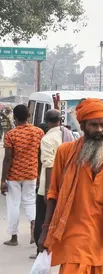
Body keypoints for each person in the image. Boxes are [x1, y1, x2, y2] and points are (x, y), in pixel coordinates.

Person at [38, 98, 103, 274]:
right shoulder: (65, 151)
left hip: (100, 228)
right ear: (82, 126)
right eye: (93, 125)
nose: (99, 130)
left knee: (95, 272)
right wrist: (45, 229)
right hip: (71, 227)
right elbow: (53, 192)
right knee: (72, 272)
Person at [1, 104, 44, 246]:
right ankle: (33, 224)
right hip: (31, 173)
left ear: (14, 117)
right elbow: (40, 155)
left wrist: (2, 179)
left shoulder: (11, 135)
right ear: (29, 116)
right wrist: (38, 174)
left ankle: (14, 237)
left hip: (13, 175)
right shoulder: (38, 132)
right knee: (30, 202)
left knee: (13, 204)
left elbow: (8, 158)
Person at [34, 110, 74, 256]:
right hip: (67, 182)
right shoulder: (69, 135)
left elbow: (49, 165)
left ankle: (41, 249)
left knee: (42, 218)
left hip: (49, 184)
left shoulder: (47, 139)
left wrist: (48, 190)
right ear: (60, 120)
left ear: (47, 121)